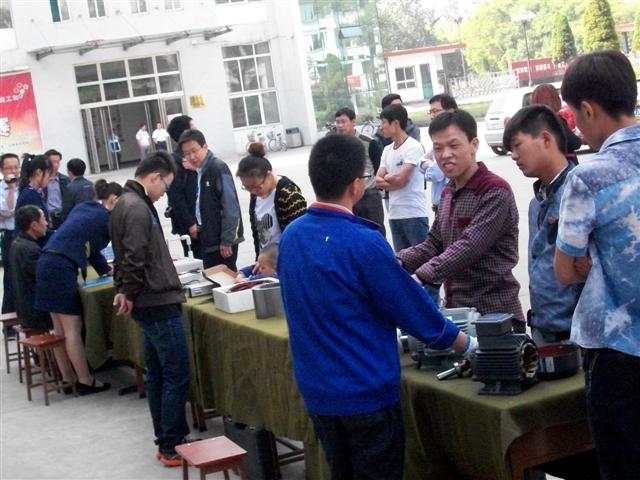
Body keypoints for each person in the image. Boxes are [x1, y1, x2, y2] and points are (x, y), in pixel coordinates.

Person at [278, 134, 476, 480]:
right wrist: (465, 343)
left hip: (318, 392)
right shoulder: (363, 241)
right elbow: (409, 307)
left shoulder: (292, 236)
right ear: (356, 185)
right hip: (364, 393)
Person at [555, 50, 640, 479]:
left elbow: (564, 270)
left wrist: (596, 264)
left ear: (588, 109)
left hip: (620, 354)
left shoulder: (589, 177)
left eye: (575, 115)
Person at [397, 110, 526, 330]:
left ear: (474, 145)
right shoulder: (448, 191)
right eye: (438, 148)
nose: (445, 155)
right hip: (459, 314)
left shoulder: (494, 191)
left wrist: (420, 276)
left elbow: (469, 246)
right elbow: (434, 243)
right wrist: (397, 261)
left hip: (496, 314)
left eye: (453, 145)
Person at [110, 151, 190, 467]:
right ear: (155, 177)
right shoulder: (136, 207)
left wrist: (125, 290)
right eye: (164, 186)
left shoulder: (127, 202)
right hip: (156, 301)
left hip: (149, 299)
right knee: (176, 373)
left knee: (158, 373)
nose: (163, 194)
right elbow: (133, 257)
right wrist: (128, 292)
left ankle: (166, 439)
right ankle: (172, 444)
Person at [503, 105, 582, 346]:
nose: (513, 156)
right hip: (543, 329)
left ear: (546, 139)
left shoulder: (579, 194)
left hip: (576, 335)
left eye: (517, 145)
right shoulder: (536, 203)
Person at [35, 179, 121, 395]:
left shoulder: (85, 208)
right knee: (72, 328)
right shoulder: (106, 218)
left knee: (59, 329)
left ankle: (68, 380)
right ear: (114, 200)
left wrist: (105, 270)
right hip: (61, 266)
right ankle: (85, 380)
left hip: (46, 261)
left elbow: (90, 247)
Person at [178, 129, 244, 270]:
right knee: (211, 276)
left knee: (225, 277)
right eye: (187, 153)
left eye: (194, 151)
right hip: (208, 237)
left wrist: (227, 240)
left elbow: (230, 206)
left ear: (205, 146)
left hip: (222, 241)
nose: (191, 156)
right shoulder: (200, 170)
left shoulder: (217, 168)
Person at [236, 143, 306, 259]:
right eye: (247, 187)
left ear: (268, 175)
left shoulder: (289, 195)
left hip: (285, 260)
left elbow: (300, 236)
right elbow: (257, 234)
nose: (253, 192)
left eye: (257, 187)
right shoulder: (255, 195)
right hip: (265, 262)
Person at [375, 104, 428, 251]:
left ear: (396, 123)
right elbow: (378, 180)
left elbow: (401, 180)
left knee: (421, 259)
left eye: (384, 122)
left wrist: (390, 178)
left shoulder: (413, 147)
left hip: (414, 213)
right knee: (402, 260)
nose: (381, 127)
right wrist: (393, 179)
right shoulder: (387, 150)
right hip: (394, 214)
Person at [334, 107, 385, 234]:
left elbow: (379, 167)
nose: (340, 125)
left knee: (375, 233)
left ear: (353, 122)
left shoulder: (368, 142)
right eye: (337, 122)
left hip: (369, 196)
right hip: (346, 198)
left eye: (343, 122)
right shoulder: (334, 145)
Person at [10, 206, 51, 330]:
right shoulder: (30, 250)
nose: (46, 223)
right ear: (34, 225)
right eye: (44, 219)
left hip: (24, 309)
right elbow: (45, 278)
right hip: (36, 313)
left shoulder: (17, 243)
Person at [165, 115, 200, 258]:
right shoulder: (175, 162)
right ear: (186, 133)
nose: (197, 131)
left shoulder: (197, 158)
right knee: (196, 259)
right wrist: (190, 223)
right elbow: (175, 197)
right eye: (194, 128)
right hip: (191, 225)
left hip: (202, 220)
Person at [421, 94, 457, 214]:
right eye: (430, 112)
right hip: (439, 207)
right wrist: (428, 164)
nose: (432, 116)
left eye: (435, 111)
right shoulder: (437, 138)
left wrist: (428, 164)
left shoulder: (456, 137)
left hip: (452, 206)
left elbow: (436, 174)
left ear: (450, 111)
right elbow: (420, 163)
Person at [369, 93, 421, 175]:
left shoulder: (413, 132)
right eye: (396, 107)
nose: (400, 109)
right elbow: (379, 173)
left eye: (401, 106)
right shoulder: (379, 139)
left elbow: (400, 178)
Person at [530, 84, 582, 164]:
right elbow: (575, 143)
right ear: (555, 100)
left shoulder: (534, 124)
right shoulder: (556, 121)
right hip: (566, 166)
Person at [0, 153, 20, 315]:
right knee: (11, 278)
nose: (13, 171)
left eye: (15, 167)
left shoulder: (25, 186)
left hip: (26, 234)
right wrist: (11, 189)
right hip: (9, 235)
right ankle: (8, 319)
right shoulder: (1, 188)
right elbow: (6, 210)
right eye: (8, 168)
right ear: (1, 170)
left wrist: (10, 212)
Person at [16, 154, 52, 222]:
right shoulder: (30, 195)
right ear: (38, 172)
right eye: (48, 173)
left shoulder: (33, 192)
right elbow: (35, 224)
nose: (49, 178)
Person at [44, 148, 69, 229]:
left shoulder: (64, 180)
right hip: (47, 217)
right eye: (53, 162)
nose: (56, 165)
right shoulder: (41, 181)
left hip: (62, 215)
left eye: (58, 162)